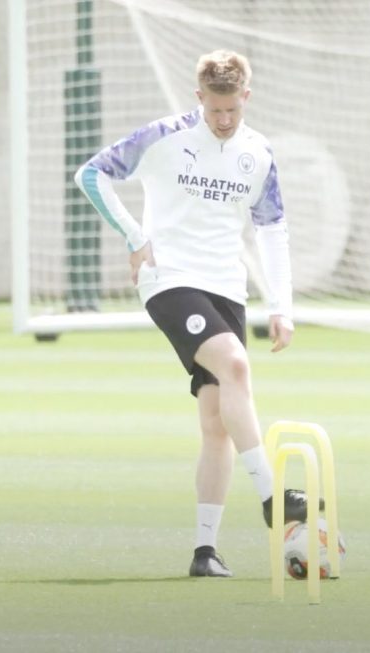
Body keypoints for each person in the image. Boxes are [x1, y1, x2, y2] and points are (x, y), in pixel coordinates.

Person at [74, 49, 320, 577]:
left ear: (246, 98)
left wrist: (282, 307)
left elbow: (272, 230)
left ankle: (205, 551)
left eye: (232, 110)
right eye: (215, 110)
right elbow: (91, 175)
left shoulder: (259, 154)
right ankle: (272, 497)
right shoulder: (165, 136)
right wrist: (135, 239)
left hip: (226, 289)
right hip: (170, 280)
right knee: (234, 365)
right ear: (199, 99)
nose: (224, 120)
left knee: (216, 422)